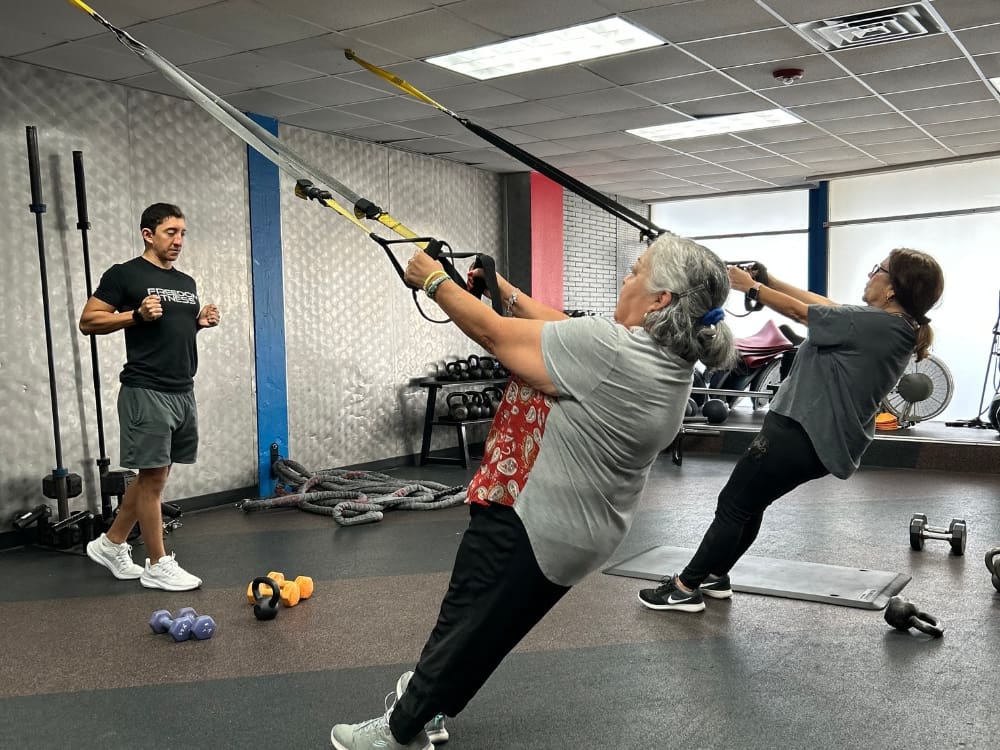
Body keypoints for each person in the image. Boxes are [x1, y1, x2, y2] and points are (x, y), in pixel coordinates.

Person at [329, 232, 737, 750]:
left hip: (534, 518)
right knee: (487, 630)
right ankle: (428, 706)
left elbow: (499, 338)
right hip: (579, 530)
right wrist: (502, 286)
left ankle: (398, 732)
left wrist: (433, 281)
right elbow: (564, 329)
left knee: (466, 622)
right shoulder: (658, 358)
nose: (626, 277)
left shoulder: (613, 352)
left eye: (637, 270)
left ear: (661, 299)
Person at [638, 248, 944, 613]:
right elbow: (823, 305)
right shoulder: (891, 325)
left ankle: (685, 587)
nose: (870, 274)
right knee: (750, 504)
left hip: (799, 433)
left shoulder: (881, 325)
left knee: (734, 505)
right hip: (813, 438)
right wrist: (770, 281)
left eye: (877, 269)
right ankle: (716, 574)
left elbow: (804, 313)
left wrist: (751, 289)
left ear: (893, 289)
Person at [79, 203, 220, 592]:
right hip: (146, 389)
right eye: (170, 232)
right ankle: (158, 563)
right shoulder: (125, 274)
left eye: (183, 233)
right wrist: (134, 315)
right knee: (154, 478)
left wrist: (198, 323)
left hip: (181, 390)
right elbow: (88, 320)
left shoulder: (186, 282)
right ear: (148, 234)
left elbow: (172, 332)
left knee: (152, 476)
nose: (178, 241)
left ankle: (110, 544)